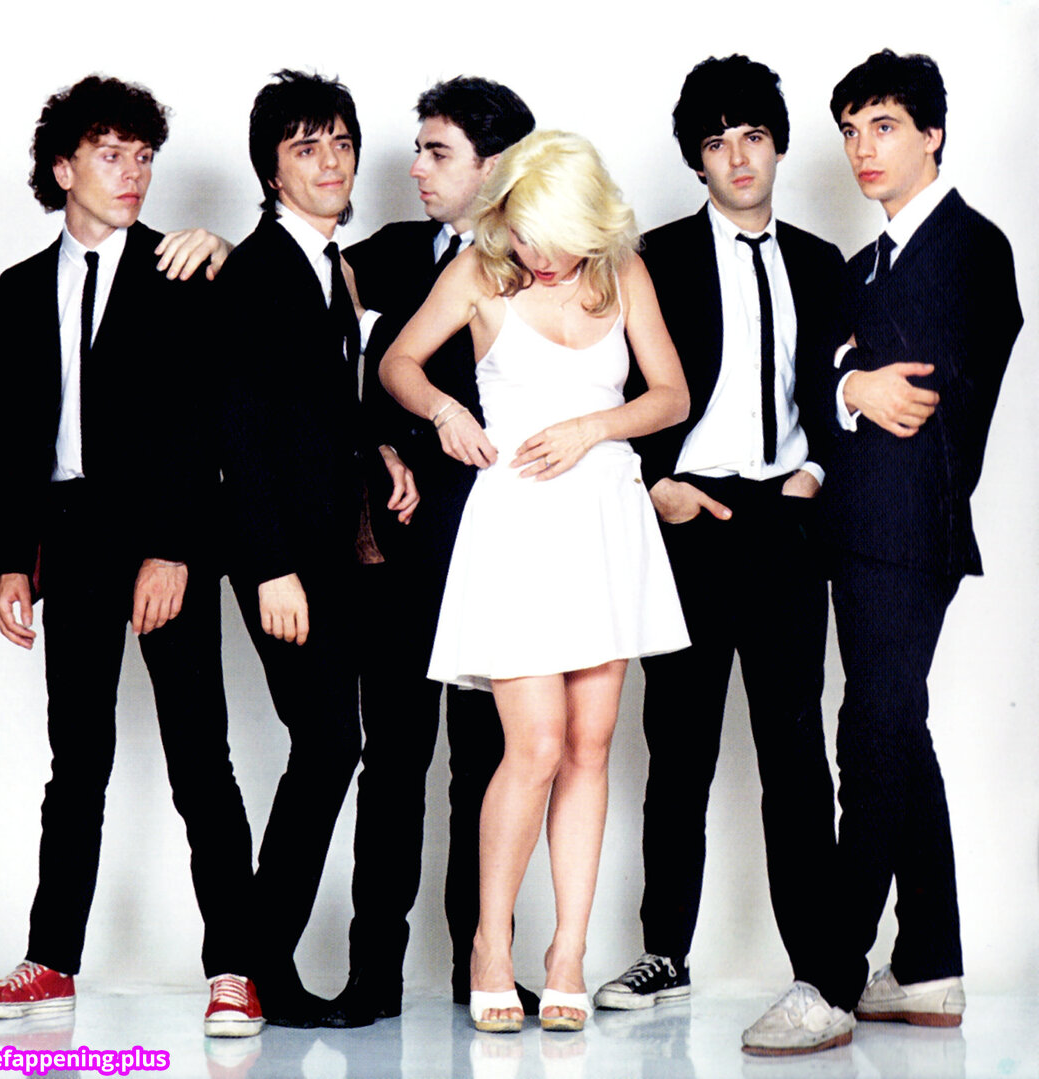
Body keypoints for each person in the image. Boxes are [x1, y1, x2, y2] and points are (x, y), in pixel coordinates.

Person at [0, 74, 262, 1038]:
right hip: (71, 537)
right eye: (110, 154)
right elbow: (10, 435)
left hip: (166, 538)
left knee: (200, 760)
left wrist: (174, 549)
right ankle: (50, 962)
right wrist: (11, 562)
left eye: (144, 156)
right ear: (64, 169)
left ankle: (235, 968)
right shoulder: (19, 287)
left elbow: (210, 428)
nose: (133, 173)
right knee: (77, 762)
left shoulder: (183, 270)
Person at [742, 48, 1022, 1055]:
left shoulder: (971, 245)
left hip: (912, 531)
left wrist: (852, 379)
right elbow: (821, 389)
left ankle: (829, 977)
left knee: (869, 735)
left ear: (933, 133)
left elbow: (922, 393)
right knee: (900, 732)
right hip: (853, 534)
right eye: (851, 131)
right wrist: (848, 380)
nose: (863, 148)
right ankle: (932, 963)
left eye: (886, 126)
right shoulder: (863, 266)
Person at [380, 130, 691, 1033]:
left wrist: (594, 427)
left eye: (546, 236)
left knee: (592, 742)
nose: (531, 251)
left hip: (605, 518)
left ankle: (567, 954)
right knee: (536, 745)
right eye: (518, 230)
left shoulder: (621, 272)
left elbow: (670, 395)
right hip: (518, 522)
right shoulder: (482, 272)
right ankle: (491, 943)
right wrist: (444, 408)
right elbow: (397, 361)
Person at [594, 55, 846, 1045]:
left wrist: (814, 473)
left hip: (785, 521)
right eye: (716, 142)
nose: (738, 158)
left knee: (796, 756)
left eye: (753, 137)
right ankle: (664, 950)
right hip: (687, 522)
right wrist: (654, 482)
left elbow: (838, 395)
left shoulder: (823, 262)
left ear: (777, 146)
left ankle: (821, 966)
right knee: (679, 749)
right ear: (695, 160)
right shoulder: (651, 256)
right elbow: (610, 381)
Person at [338, 75, 537, 1025]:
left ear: (493, 167)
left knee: (490, 763)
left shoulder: (539, 263)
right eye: (418, 149)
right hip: (400, 545)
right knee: (393, 761)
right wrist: (372, 446)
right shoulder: (379, 254)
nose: (415, 167)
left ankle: (481, 965)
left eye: (437, 151)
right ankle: (371, 973)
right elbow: (307, 353)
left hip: (501, 543)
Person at [215, 69, 378, 1029]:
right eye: (305, 147)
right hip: (286, 558)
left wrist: (381, 451)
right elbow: (239, 430)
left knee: (329, 746)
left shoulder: (330, 264)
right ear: (271, 170)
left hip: (336, 553)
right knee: (327, 743)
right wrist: (270, 565)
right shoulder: (259, 269)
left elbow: (324, 408)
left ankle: (259, 959)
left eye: (341, 143)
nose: (330, 162)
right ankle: (261, 964)